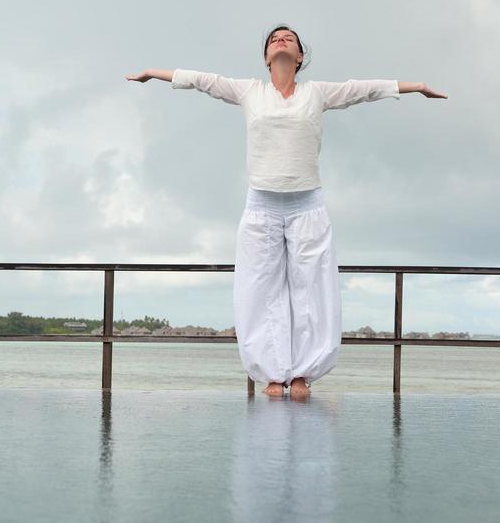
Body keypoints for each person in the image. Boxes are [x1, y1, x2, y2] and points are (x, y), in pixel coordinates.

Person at [127, 26, 447, 399]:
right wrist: (153, 73)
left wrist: (418, 86)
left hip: (306, 206)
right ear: (266, 57)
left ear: (299, 57)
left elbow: (365, 89)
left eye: (288, 38)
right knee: (261, 290)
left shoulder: (317, 93)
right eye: (274, 38)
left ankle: (302, 375)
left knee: (312, 289)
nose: (280, 39)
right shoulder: (250, 92)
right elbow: (204, 81)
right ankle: (272, 375)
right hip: (260, 206)